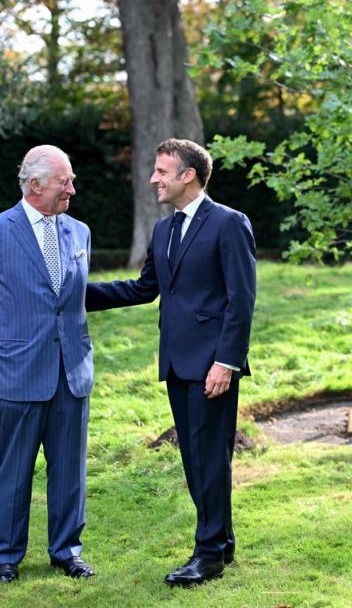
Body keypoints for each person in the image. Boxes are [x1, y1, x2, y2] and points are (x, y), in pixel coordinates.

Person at [86, 138, 256, 588]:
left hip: (212, 365)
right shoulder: (163, 231)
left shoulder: (228, 224)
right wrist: (76, 293)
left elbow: (242, 300)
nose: (153, 179)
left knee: (208, 458)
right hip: (176, 363)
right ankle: (223, 542)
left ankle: (208, 556)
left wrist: (227, 361)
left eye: (162, 171)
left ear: (189, 175)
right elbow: (144, 289)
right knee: (197, 458)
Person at [0, 145, 95, 583]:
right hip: (16, 375)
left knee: (70, 472)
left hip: (71, 373)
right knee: (14, 472)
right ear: (35, 184)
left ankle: (67, 551)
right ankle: (5, 558)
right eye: (65, 182)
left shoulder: (79, 232)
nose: (72, 190)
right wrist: (13, 345)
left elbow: (73, 301)